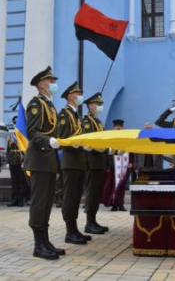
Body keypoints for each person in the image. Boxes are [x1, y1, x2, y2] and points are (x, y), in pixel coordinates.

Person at [23, 66, 64, 260]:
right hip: (39, 159)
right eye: (51, 81)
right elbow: (32, 132)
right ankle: (38, 245)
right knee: (40, 202)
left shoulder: (49, 104)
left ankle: (45, 241)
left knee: (47, 202)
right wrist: (49, 141)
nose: (54, 84)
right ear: (41, 84)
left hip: (49, 159)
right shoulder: (36, 104)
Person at [58, 81, 91, 244]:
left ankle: (75, 229)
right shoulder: (64, 114)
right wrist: (79, 145)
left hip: (79, 161)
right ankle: (69, 231)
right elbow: (65, 138)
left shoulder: (76, 114)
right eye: (78, 94)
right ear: (70, 96)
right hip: (70, 161)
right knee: (70, 197)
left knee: (77, 196)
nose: (80, 97)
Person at [83, 92, 110, 235]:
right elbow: (90, 140)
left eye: (100, 104)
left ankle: (93, 221)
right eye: (97, 104)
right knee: (92, 193)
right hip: (92, 161)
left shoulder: (98, 121)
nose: (100, 106)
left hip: (100, 162)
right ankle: (89, 222)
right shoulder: (87, 121)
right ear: (90, 105)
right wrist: (102, 147)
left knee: (97, 192)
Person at [7, 116, 27, 207]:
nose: (16, 125)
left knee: (21, 181)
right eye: (15, 123)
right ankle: (13, 199)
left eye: (17, 123)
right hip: (12, 159)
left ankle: (20, 200)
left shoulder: (23, 135)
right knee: (14, 180)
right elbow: (8, 148)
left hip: (21, 158)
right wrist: (8, 160)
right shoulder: (11, 135)